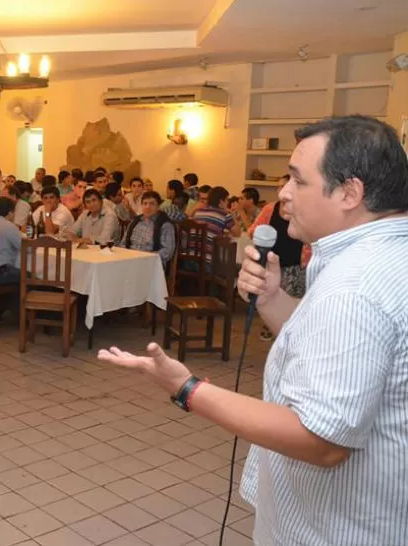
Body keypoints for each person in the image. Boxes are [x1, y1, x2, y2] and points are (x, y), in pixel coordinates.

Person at [102, 115, 408, 546]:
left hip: (335, 528)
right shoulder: (388, 252)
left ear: (349, 192)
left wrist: (186, 387)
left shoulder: (354, 285)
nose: (282, 193)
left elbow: (320, 439)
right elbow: (337, 350)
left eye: (297, 181)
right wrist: (273, 300)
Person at [248, 174, 309, 341]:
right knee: (270, 296)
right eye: (280, 186)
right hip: (273, 262)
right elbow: (253, 230)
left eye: (285, 186)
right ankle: (270, 327)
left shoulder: (302, 209)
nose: (282, 191)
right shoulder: (270, 209)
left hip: (296, 265)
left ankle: (289, 337)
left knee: (293, 303)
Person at [119, 191, 176, 268]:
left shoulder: (165, 225)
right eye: (145, 203)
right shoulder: (135, 221)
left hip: (151, 263)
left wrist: (146, 257)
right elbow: (123, 243)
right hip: (130, 260)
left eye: (152, 204)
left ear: (158, 206)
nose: (147, 207)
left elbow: (167, 252)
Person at [191, 186, 241, 265]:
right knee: (234, 265)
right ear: (221, 201)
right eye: (227, 200)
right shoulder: (224, 215)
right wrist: (231, 214)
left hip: (191, 258)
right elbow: (238, 233)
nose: (228, 203)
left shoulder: (197, 212)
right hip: (207, 262)